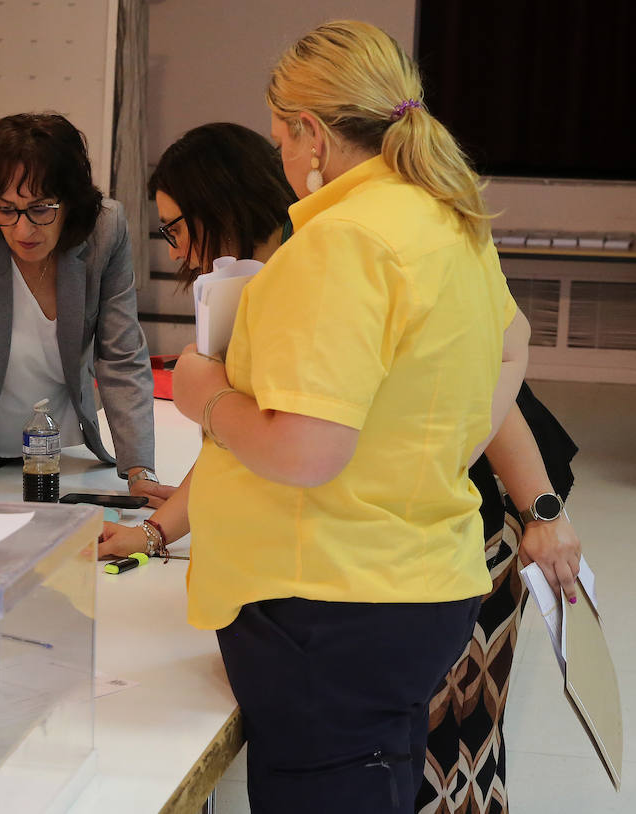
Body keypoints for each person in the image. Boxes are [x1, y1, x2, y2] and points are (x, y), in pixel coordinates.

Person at [105, 121, 584, 813]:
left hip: (464, 510)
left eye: (175, 227)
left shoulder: (333, 255)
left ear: (219, 203)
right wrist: (158, 530)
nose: (174, 248)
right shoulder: (264, 278)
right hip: (401, 529)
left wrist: (542, 510)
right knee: (396, 751)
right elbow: (246, 439)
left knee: (454, 734)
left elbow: (496, 384)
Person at [167, 22, 529, 813]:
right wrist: (435, 450)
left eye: (279, 140)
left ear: (312, 134)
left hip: (328, 609)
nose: (284, 163)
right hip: (413, 586)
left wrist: (206, 396)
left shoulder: (342, 242)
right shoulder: (448, 222)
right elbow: (514, 346)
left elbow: (307, 450)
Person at [0, 113, 172, 504]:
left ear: (72, 201)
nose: (24, 230)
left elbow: (122, 358)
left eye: (42, 208)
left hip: (67, 453)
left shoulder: (105, 232)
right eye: (6, 210)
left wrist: (141, 471)